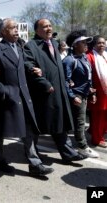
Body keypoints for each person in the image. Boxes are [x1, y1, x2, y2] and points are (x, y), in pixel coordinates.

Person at [0, 18, 54, 176]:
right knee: (1, 131)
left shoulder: (19, 46)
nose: (17, 31)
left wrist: (33, 70)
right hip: (8, 99)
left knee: (29, 129)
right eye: (12, 28)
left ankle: (35, 164)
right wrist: (5, 91)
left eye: (17, 28)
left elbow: (23, 65)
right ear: (3, 32)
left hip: (24, 96)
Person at [24, 18, 87, 163]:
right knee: (37, 126)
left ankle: (69, 153)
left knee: (60, 122)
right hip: (43, 94)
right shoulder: (31, 46)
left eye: (50, 26)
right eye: (45, 26)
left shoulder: (54, 43)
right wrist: (44, 84)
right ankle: (33, 156)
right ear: (37, 30)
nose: (49, 29)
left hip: (59, 91)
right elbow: (30, 67)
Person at [62, 30, 99, 158]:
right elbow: (65, 81)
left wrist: (91, 92)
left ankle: (69, 145)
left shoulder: (84, 58)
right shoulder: (69, 60)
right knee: (79, 122)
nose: (86, 45)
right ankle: (82, 146)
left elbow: (88, 78)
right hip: (76, 96)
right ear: (75, 45)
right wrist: (73, 96)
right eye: (83, 42)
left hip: (83, 95)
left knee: (78, 122)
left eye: (86, 42)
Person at [86, 35, 107, 148]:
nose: (102, 45)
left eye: (103, 43)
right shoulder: (89, 56)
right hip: (96, 92)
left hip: (105, 92)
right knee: (98, 116)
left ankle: (96, 132)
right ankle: (97, 139)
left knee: (104, 116)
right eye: (99, 43)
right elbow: (87, 76)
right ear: (93, 44)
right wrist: (92, 92)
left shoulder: (104, 56)